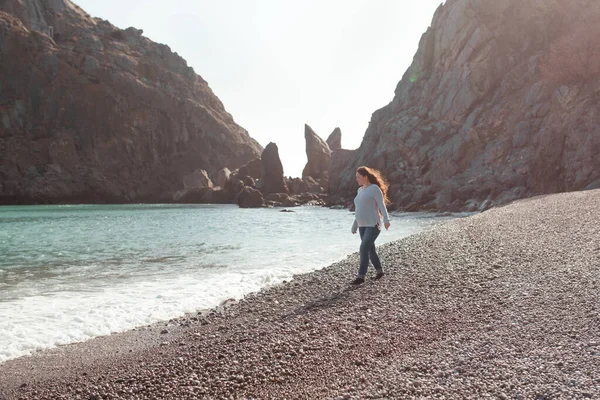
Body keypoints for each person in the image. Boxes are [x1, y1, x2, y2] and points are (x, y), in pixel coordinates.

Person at [350, 166, 391, 285]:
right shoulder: (360, 190)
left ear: (365, 176)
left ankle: (361, 277)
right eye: (356, 177)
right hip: (362, 225)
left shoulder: (374, 189)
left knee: (363, 248)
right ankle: (380, 271)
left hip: (373, 225)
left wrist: (387, 220)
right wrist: (355, 225)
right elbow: (359, 209)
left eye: (358, 177)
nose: (356, 179)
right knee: (370, 250)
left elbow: (382, 205)